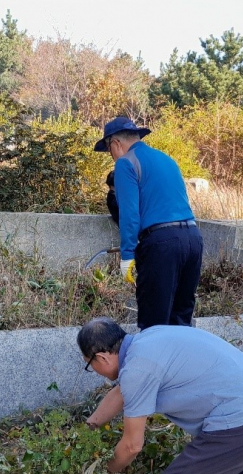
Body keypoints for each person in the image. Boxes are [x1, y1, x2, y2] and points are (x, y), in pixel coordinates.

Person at [78, 317, 243, 474]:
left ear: (102, 358)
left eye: (90, 365)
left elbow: (132, 445)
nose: (94, 370)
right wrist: (90, 426)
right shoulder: (149, 340)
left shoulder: (137, 369)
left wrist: (107, 472)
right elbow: (121, 393)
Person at [94, 116, 203, 329]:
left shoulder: (126, 163)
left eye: (109, 151)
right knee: (181, 318)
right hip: (193, 238)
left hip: (163, 244)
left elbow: (129, 214)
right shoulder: (166, 159)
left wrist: (127, 255)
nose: (112, 157)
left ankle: (153, 361)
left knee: (154, 321)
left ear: (115, 143)